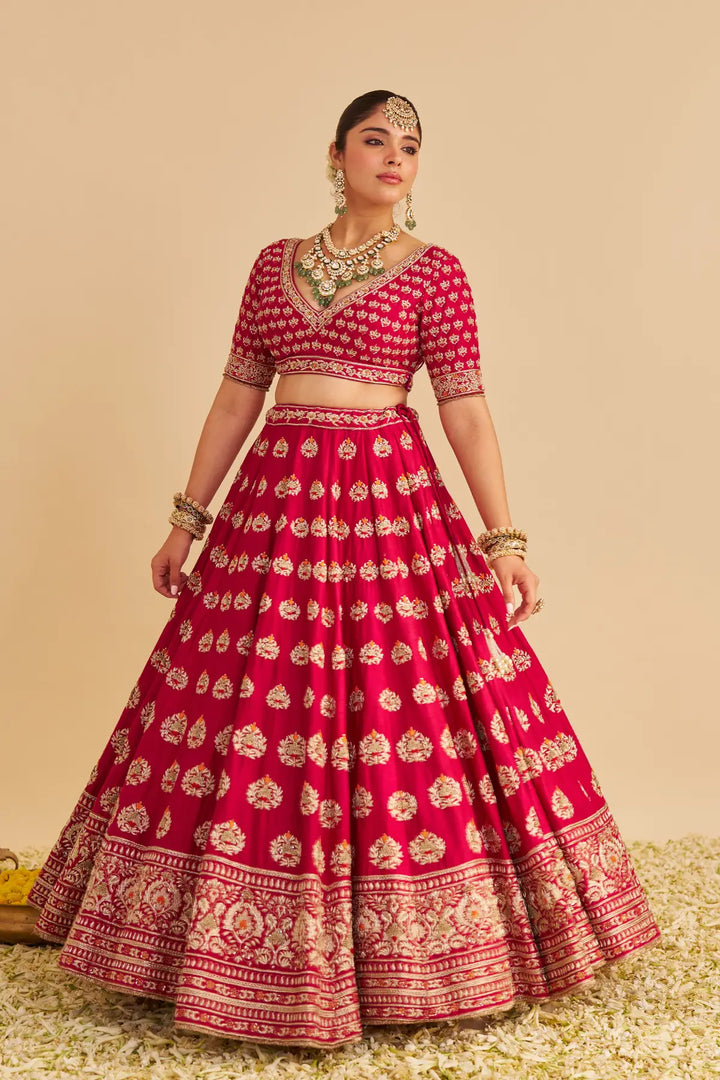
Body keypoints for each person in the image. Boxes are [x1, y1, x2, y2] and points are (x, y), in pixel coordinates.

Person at [27, 90, 661, 1049]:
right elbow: (239, 395)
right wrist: (185, 523)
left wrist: (505, 541)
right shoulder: (273, 266)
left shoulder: (435, 274)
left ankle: (422, 957)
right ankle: (217, 953)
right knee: (256, 709)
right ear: (337, 154)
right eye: (377, 139)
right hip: (274, 507)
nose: (396, 157)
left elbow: (466, 412)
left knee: (399, 714)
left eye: (411, 145)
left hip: (386, 502)